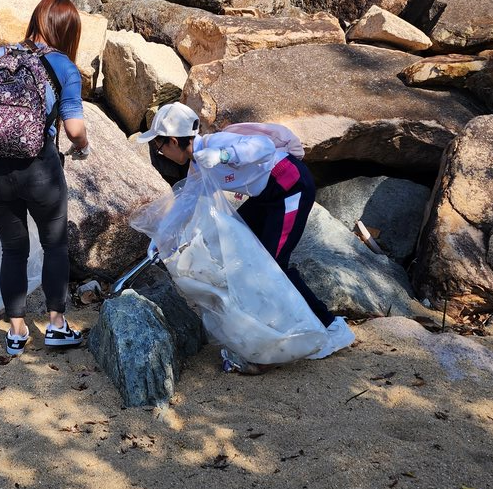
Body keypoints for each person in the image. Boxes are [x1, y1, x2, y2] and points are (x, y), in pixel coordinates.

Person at [136, 102, 354, 358]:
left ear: (173, 141)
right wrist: (162, 236)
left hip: (290, 187)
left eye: (159, 146)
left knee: (274, 265)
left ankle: (332, 326)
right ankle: (276, 323)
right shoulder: (197, 165)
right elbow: (187, 202)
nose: (161, 152)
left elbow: (264, 147)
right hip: (266, 197)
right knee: (242, 247)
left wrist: (223, 156)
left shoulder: (216, 144)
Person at [0, 0, 90, 357]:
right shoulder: (63, 66)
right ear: (69, 31)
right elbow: (73, 128)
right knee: (54, 245)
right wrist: (84, 146)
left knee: (13, 249)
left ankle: (16, 332)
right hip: (39, 169)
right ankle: (56, 326)